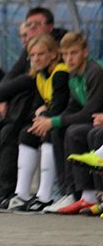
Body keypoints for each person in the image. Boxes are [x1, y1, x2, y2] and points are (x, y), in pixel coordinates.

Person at [31, 32, 103, 214]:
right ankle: (70, 192)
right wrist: (49, 121)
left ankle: (94, 195)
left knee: (80, 133)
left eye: (73, 53)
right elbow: (72, 108)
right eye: (65, 54)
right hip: (95, 120)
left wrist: (53, 121)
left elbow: (89, 112)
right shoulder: (73, 75)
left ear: (85, 52)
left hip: (98, 120)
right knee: (59, 131)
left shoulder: (95, 71)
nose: (69, 59)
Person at [2, 34, 69, 213]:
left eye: (40, 54)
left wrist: (44, 114)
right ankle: (21, 193)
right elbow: (36, 107)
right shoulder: (40, 75)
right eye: (32, 55)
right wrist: (42, 114)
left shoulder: (60, 73)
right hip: (50, 117)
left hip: (65, 119)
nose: (36, 59)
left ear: (53, 54)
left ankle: (45, 195)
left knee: (48, 132)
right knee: (26, 133)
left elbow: (60, 107)